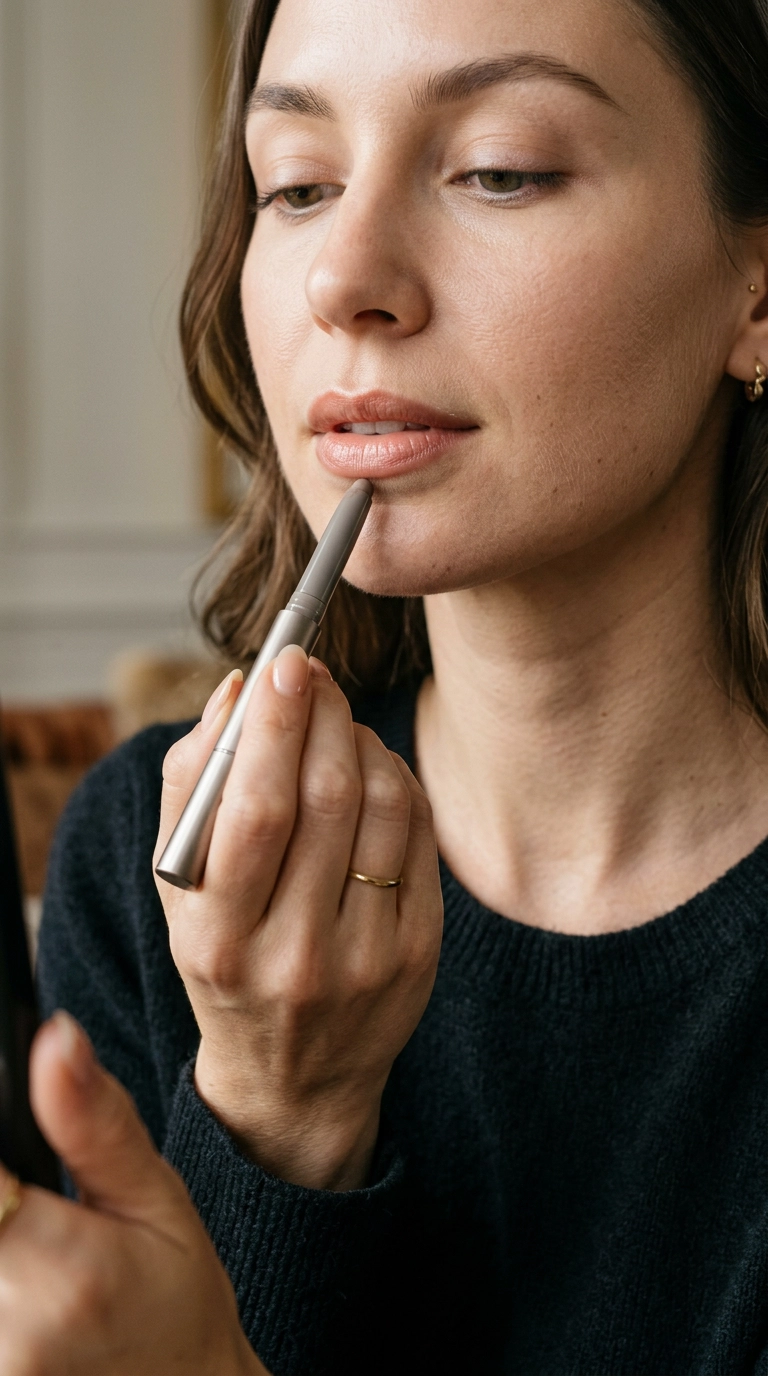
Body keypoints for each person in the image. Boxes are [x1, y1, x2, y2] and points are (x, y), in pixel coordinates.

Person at [3, 0, 768, 1369]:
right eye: (295, 185)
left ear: (756, 285)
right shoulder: (145, 858)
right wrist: (268, 1114)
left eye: (500, 166)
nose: (342, 277)